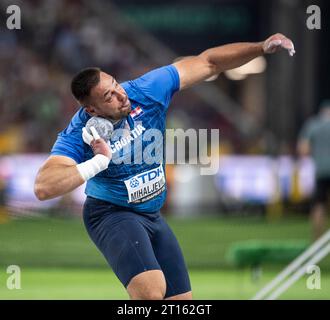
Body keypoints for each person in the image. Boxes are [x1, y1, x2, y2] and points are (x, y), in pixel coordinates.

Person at [34, 33, 295, 300]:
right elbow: (43, 187)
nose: (120, 95)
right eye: (108, 96)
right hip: (111, 214)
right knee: (151, 294)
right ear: (92, 110)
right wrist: (98, 162)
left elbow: (209, 62)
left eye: (116, 85)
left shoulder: (146, 90)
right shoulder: (81, 132)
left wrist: (261, 47)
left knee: (182, 302)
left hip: (151, 214)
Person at [298, 101, 330, 240]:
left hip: (321, 170)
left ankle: (317, 237)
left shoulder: (313, 124)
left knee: (319, 204)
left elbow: (303, 148)